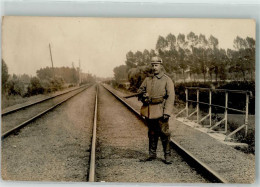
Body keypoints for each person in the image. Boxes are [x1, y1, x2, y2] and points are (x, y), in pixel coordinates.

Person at [138, 56, 175, 164]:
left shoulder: (167, 80)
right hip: (149, 110)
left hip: (161, 110)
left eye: (156, 65)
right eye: (153, 65)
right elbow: (140, 91)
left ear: (161, 66)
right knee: (152, 133)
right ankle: (152, 154)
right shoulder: (147, 79)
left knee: (164, 133)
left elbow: (170, 97)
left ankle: (167, 156)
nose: (154, 68)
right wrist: (143, 96)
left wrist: (167, 112)